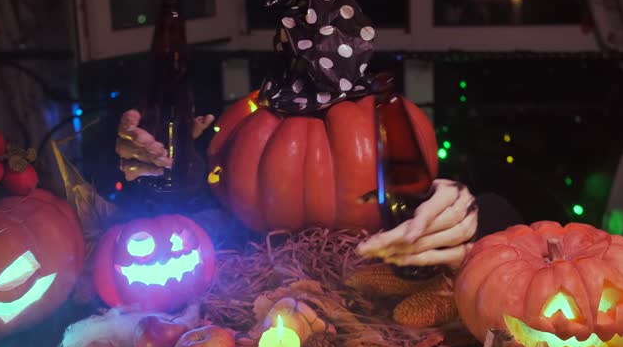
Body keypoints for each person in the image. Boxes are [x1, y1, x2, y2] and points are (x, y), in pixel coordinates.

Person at [116, 110, 518, 270]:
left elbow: (501, 219)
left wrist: (474, 218)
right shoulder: (243, 132)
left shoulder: (389, 131)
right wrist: (157, 183)